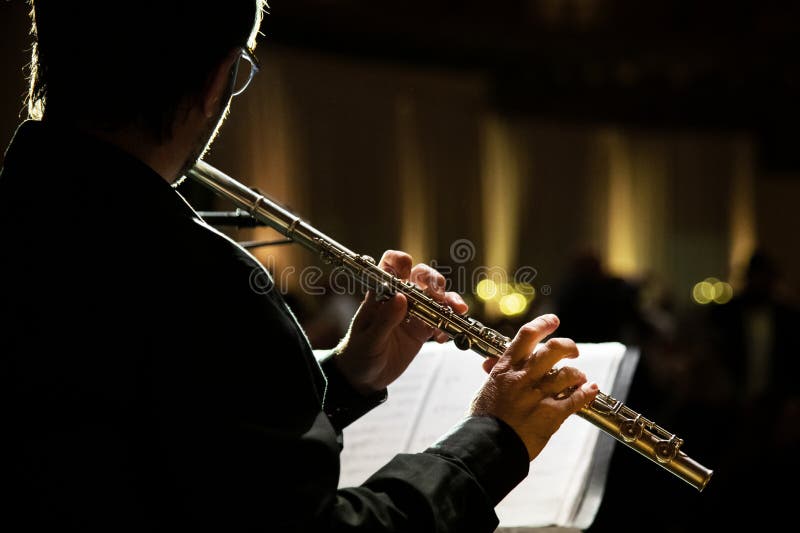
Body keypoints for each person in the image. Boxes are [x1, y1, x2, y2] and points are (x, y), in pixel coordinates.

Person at [0, 2, 598, 531]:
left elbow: (170, 448)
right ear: (217, 78)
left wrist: (345, 377)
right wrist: (494, 439)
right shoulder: (201, 280)